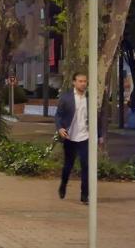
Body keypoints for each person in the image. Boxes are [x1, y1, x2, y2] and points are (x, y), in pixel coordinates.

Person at [55, 72, 102, 204]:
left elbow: (95, 119)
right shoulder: (66, 98)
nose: (83, 83)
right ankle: (63, 185)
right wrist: (60, 128)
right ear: (74, 82)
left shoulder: (90, 98)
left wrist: (100, 136)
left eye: (85, 81)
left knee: (86, 166)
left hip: (85, 137)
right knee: (68, 166)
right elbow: (58, 115)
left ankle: (84, 195)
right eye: (80, 81)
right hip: (70, 137)